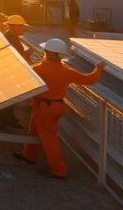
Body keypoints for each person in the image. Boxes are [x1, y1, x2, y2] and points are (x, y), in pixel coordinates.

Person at [14, 38, 105, 178]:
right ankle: (29, 156)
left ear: (48, 53)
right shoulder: (67, 72)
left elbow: (25, 79)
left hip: (43, 106)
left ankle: (58, 170)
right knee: (35, 129)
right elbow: (89, 79)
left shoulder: (39, 69)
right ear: (60, 55)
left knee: (50, 139)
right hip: (56, 106)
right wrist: (98, 68)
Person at [0, 15, 32, 130]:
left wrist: (25, 55)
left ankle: (8, 121)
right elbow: (11, 57)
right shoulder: (8, 39)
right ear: (14, 26)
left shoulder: (12, 37)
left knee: (10, 102)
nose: (23, 29)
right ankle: (1, 123)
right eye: (22, 26)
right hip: (6, 75)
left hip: (10, 74)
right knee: (5, 102)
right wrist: (26, 55)